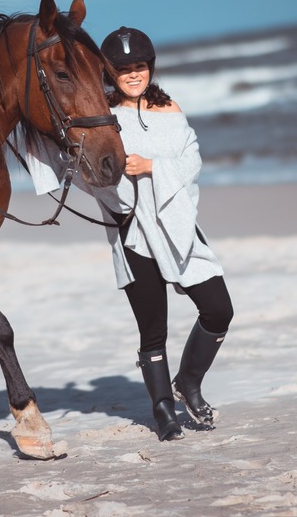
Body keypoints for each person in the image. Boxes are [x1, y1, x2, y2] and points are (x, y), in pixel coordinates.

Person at [27, 26, 234, 441]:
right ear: (110, 74)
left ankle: (188, 382)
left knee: (218, 310)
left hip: (176, 223)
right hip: (133, 231)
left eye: (139, 66)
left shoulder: (170, 108)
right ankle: (163, 410)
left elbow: (191, 158)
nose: (133, 74)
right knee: (152, 328)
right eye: (123, 70)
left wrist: (152, 166)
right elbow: (81, 161)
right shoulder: (100, 113)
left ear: (150, 67)